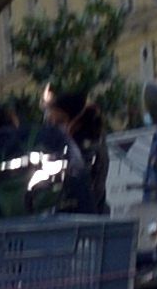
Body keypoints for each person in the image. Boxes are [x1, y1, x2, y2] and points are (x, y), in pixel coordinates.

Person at [44, 85, 109, 215]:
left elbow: (78, 190)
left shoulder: (86, 149)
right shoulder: (70, 148)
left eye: (59, 122)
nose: (54, 128)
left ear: (76, 120)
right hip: (77, 222)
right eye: (50, 123)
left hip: (83, 224)